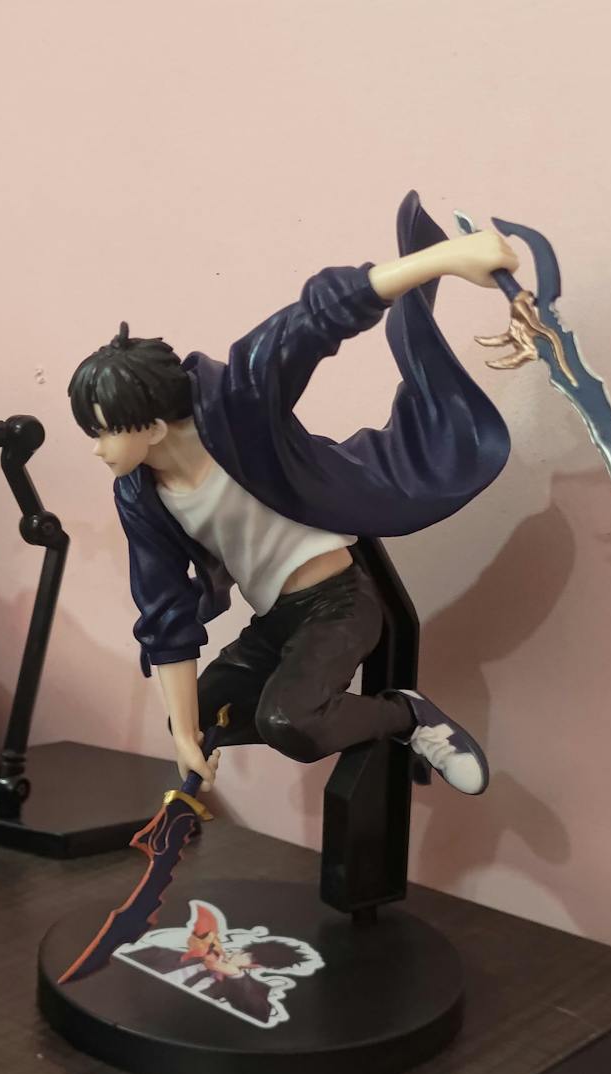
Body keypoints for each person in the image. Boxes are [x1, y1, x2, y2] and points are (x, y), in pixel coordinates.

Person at [68, 193, 518, 797]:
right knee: (199, 715)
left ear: (148, 427)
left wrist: (443, 259)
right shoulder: (141, 495)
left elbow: (313, 320)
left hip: (339, 601)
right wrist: (185, 737)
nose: (98, 449)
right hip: (276, 620)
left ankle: (407, 716)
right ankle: (346, 718)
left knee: (289, 723)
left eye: (103, 432)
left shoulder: (235, 406)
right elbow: (164, 609)